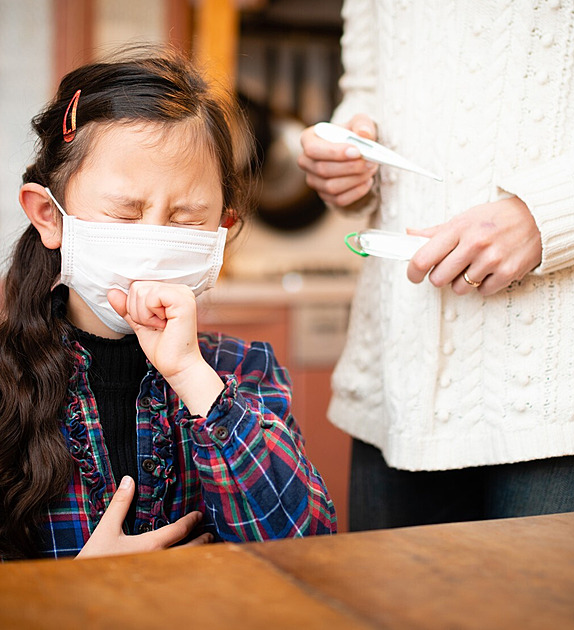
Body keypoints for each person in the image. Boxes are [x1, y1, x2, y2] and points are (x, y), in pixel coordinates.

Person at [298, 0, 574, 530]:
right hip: (395, 385)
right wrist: (347, 158)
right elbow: (365, 91)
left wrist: (545, 217)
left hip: (568, 396)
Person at [0, 48, 336, 560]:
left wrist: (191, 375)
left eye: (185, 218)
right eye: (124, 212)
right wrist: (72, 589)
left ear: (220, 230)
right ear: (49, 215)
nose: (154, 240)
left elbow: (308, 546)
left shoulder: (240, 372)